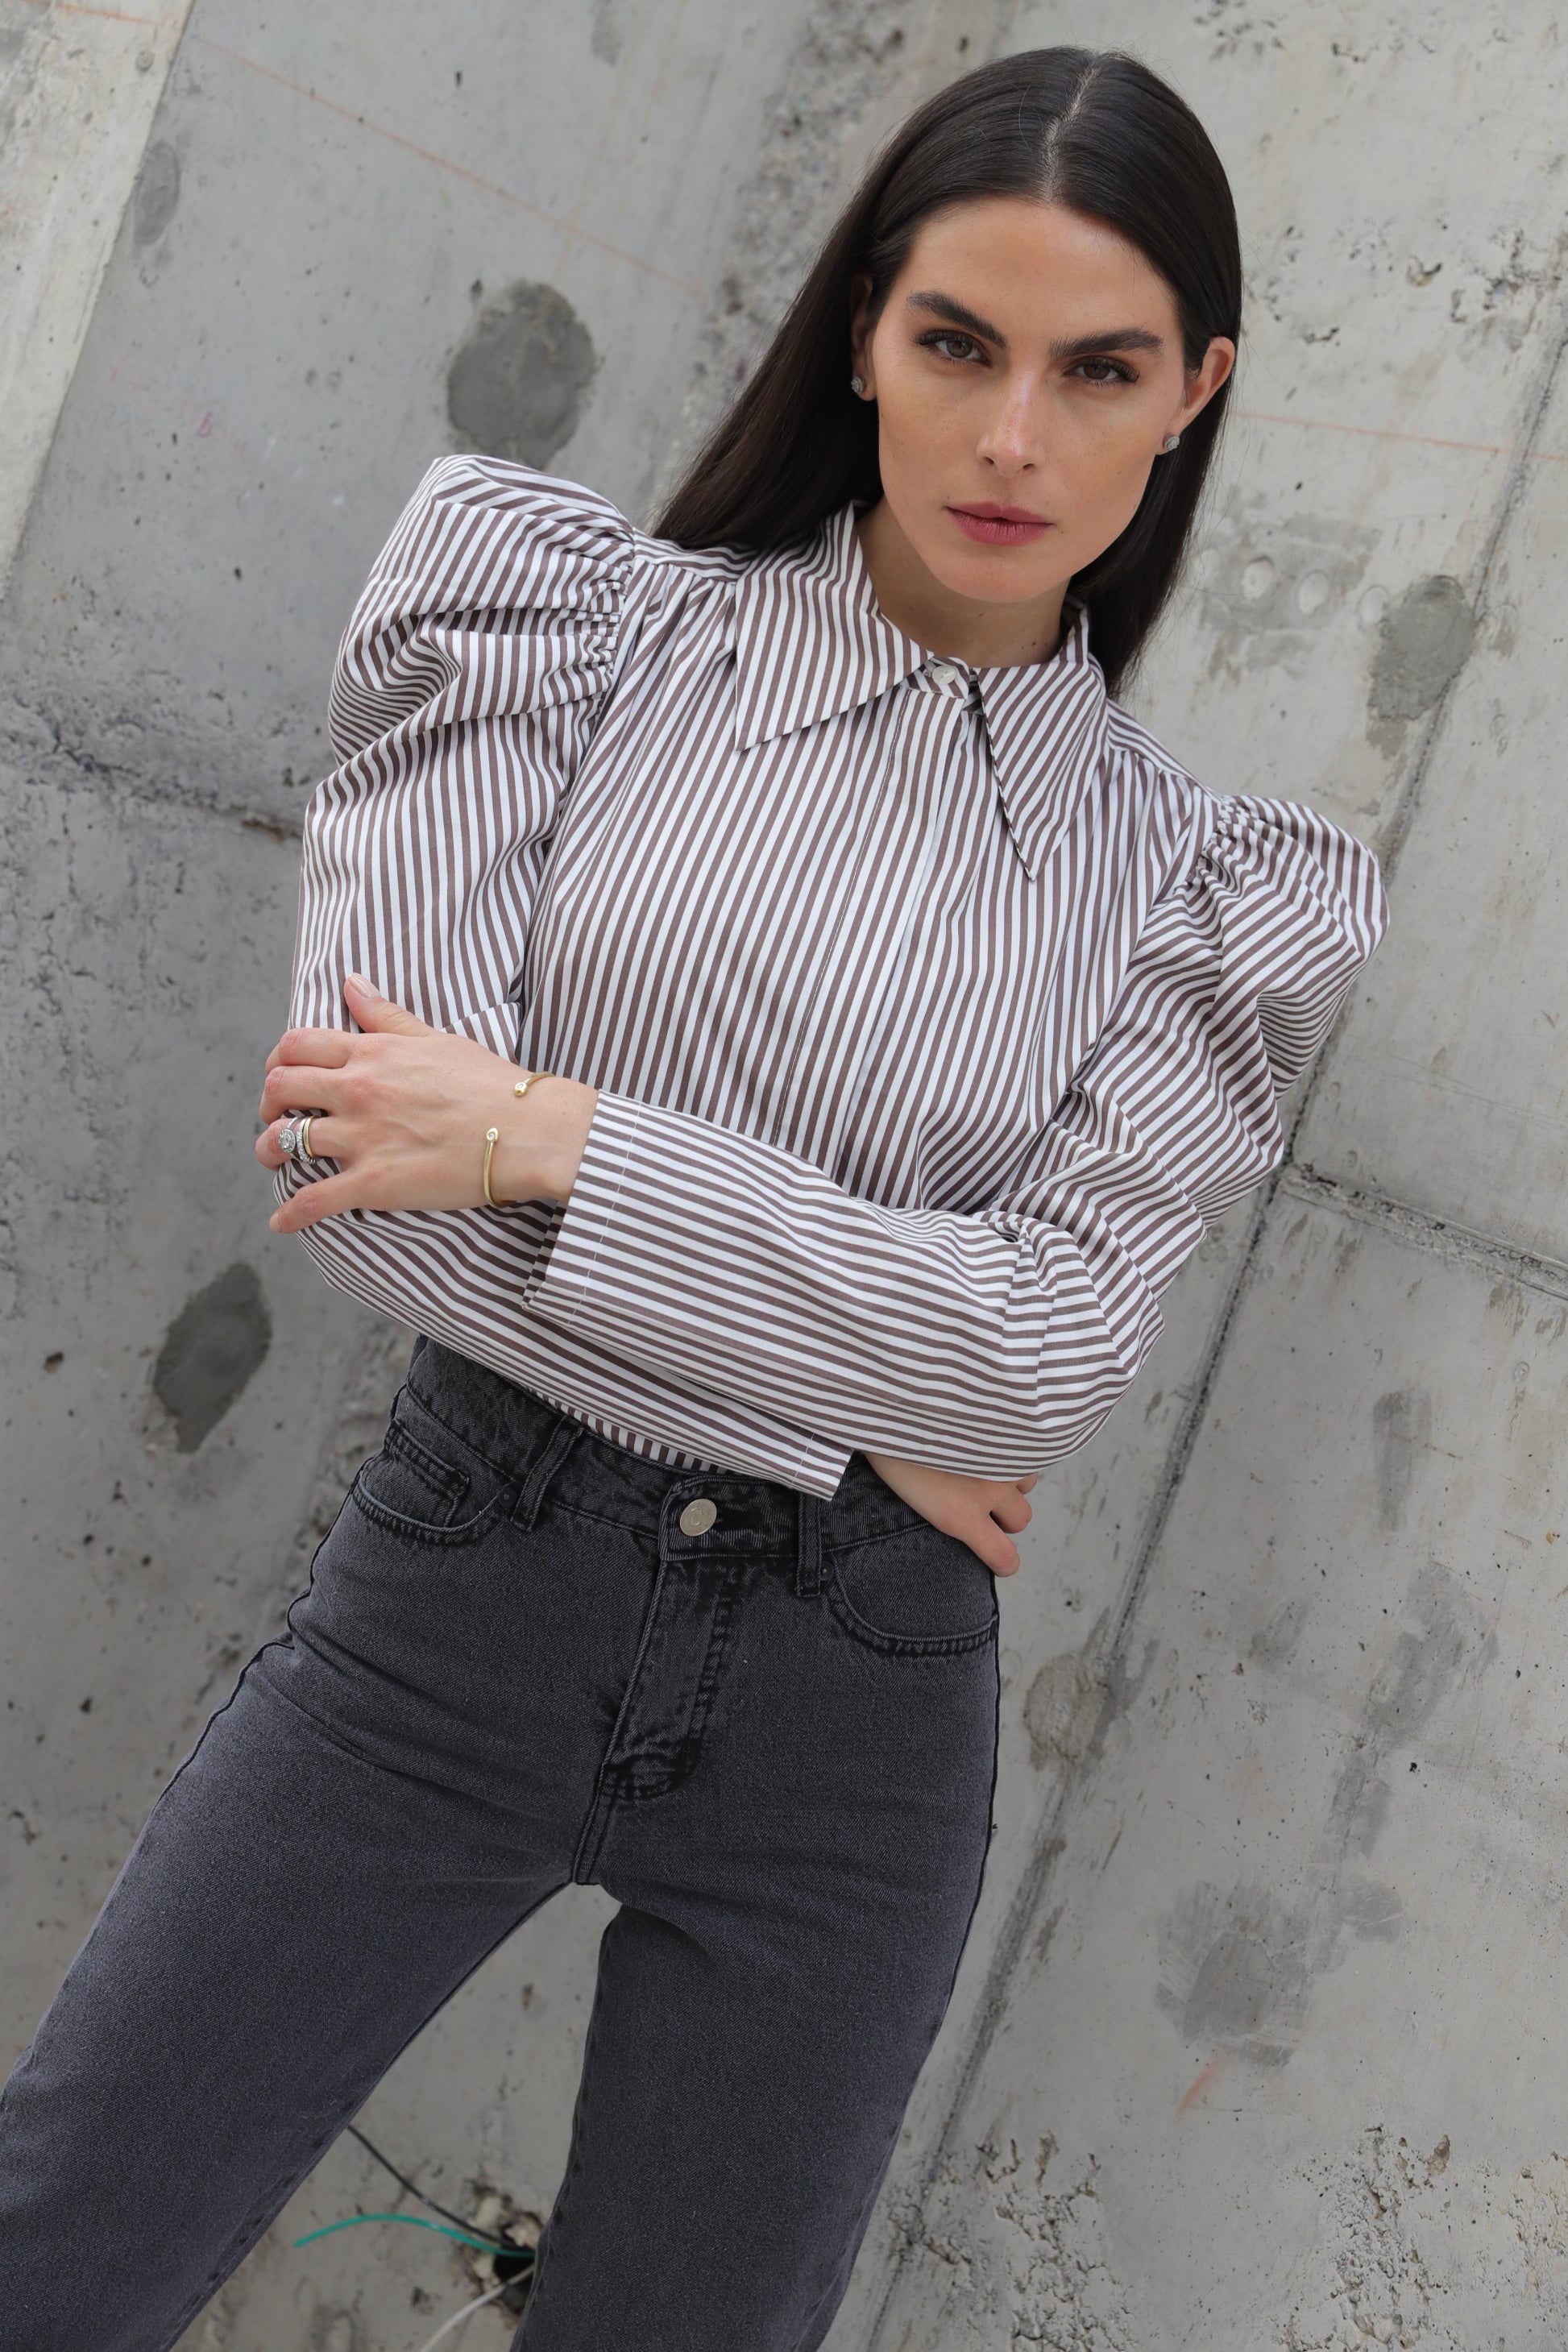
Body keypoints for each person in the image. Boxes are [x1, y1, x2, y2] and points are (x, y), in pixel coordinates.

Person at [0, 44, 1386, 2352]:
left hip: (855, 1728)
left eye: (1097, 370)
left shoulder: (1203, 895)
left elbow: (1043, 1359)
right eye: (956, 342)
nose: (1012, 437)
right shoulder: (560, 626)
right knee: (58, 2252)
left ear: (1193, 394)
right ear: (860, 332)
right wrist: (876, 1399)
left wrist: (555, 1132)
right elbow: (376, 1176)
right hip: (460, 1601)